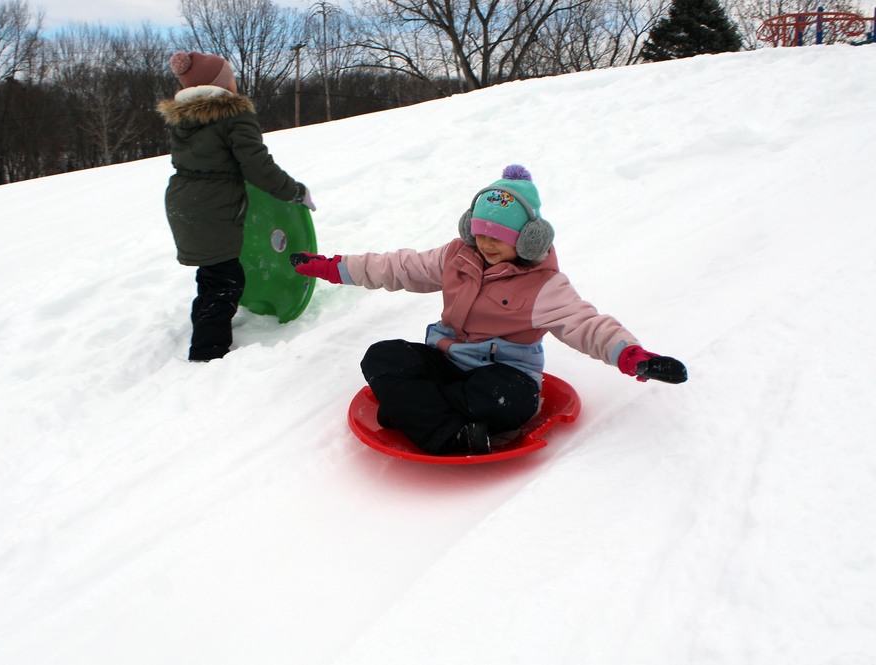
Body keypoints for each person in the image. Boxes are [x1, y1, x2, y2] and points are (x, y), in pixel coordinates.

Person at [291, 165, 686, 456]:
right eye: (479, 233)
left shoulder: (544, 285)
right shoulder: (456, 256)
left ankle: (424, 419)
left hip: (502, 376)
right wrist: (332, 267)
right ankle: (452, 429)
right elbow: (398, 266)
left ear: (529, 239)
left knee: (508, 401)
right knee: (382, 356)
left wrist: (632, 355)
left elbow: (587, 324)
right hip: (449, 362)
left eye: (499, 237)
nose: (487, 244)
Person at [158, 51, 316, 361]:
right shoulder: (232, 114)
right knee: (226, 280)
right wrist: (294, 192)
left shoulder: (185, 118)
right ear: (220, 84)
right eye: (230, 76)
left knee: (212, 272)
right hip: (212, 204)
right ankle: (208, 351)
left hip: (183, 199)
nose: (235, 81)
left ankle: (203, 329)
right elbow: (257, 165)